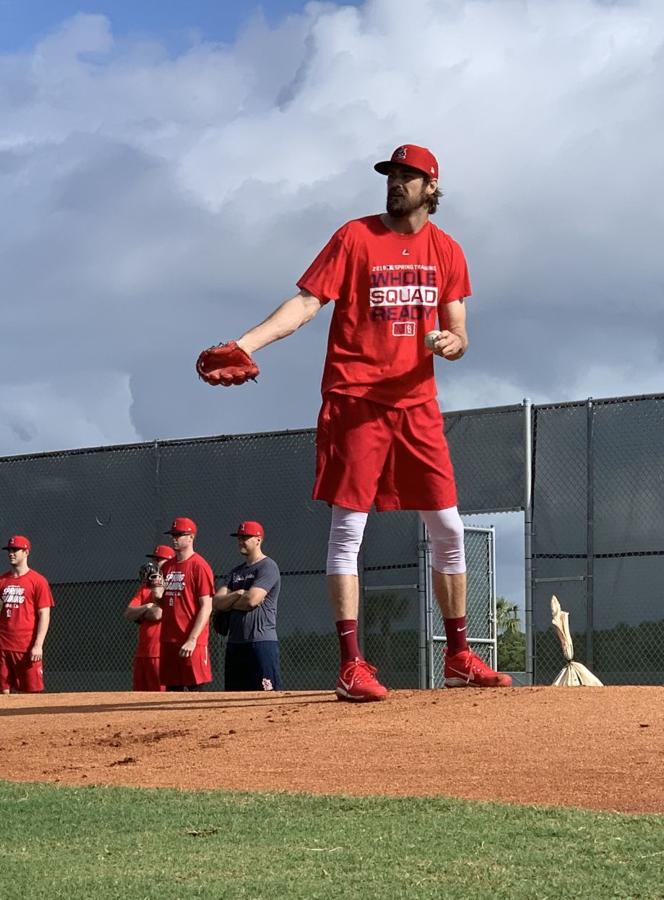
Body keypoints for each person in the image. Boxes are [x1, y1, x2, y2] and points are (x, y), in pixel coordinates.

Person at [198, 144, 511, 701]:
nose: (395, 183)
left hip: (416, 403)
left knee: (449, 527)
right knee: (350, 531)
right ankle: (350, 664)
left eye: (408, 175)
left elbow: (460, 332)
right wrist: (245, 344)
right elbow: (305, 303)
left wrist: (451, 342)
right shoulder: (354, 237)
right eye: (391, 174)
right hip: (355, 400)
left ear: (431, 187)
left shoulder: (449, 251)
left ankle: (459, 655)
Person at [0, 535, 54, 694]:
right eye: (9, 550)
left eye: (15, 550)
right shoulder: (0, 582)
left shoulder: (38, 581)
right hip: (1, 647)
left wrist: (38, 645)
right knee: (3, 693)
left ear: (26, 552)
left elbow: (44, 614)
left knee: (31, 695)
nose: (11, 553)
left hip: (26, 648)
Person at [213, 521, 283, 691]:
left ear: (258, 540)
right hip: (235, 643)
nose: (240, 541)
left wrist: (229, 602)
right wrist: (238, 594)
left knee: (267, 697)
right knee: (233, 699)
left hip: (260, 643)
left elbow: (252, 600)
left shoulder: (268, 566)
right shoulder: (236, 572)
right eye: (239, 538)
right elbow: (216, 602)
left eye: (246, 537)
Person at [157, 517, 214, 691]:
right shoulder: (167, 567)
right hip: (169, 639)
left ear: (191, 537)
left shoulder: (199, 566)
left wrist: (192, 639)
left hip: (190, 640)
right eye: (173, 535)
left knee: (195, 690)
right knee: (172, 693)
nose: (175, 538)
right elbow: (163, 602)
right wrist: (155, 590)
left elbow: (207, 606)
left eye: (180, 534)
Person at [123, 544, 174, 692]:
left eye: (159, 560)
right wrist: (147, 607)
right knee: (138, 695)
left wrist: (142, 613)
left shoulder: (170, 587)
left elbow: (158, 614)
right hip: (142, 653)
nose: (155, 564)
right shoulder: (144, 588)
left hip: (159, 653)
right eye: (154, 560)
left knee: (159, 694)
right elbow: (128, 613)